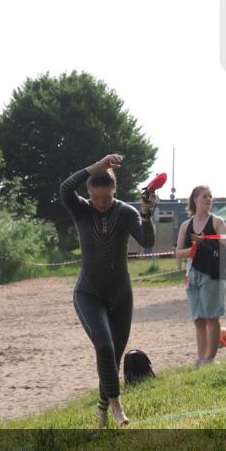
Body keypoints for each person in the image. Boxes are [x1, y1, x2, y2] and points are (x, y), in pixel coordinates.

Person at [60, 154, 157, 428]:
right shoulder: (82, 209)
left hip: (121, 295)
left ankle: (101, 409)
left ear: (115, 191)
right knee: (103, 345)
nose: (101, 204)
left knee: (112, 358)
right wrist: (98, 165)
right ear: (89, 193)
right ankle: (116, 405)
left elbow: (147, 241)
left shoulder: (125, 212)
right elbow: (66, 188)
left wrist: (147, 214)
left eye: (107, 197)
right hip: (88, 293)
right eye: (96, 198)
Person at [176, 186, 226, 367]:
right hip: (192, 274)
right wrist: (194, 247)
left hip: (213, 274)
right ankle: (200, 359)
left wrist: (204, 242)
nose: (208, 199)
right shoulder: (186, 225)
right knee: (198, 319)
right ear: (194, 199)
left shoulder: (218, 222)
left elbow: (224, 250)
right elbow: (178, 253)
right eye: (204, 196)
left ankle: (210, 359)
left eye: (210, 196)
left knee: (211, 316)